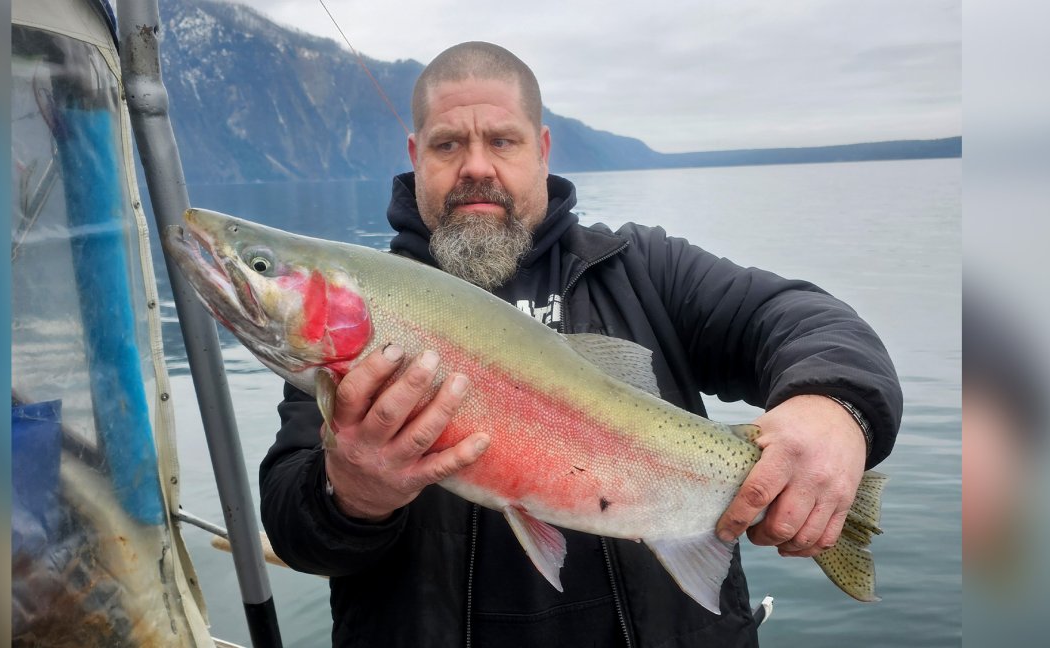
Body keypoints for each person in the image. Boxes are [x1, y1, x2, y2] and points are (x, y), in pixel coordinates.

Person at [260, 41, 902, 647]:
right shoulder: (361, 320)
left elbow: (802, 318)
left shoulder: (643, 268)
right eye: (448, 143)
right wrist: (351, 494)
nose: (476, 165)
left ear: (541, 150)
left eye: (502, 141)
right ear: (414, 153)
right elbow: (296, 528)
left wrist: (834, 408)